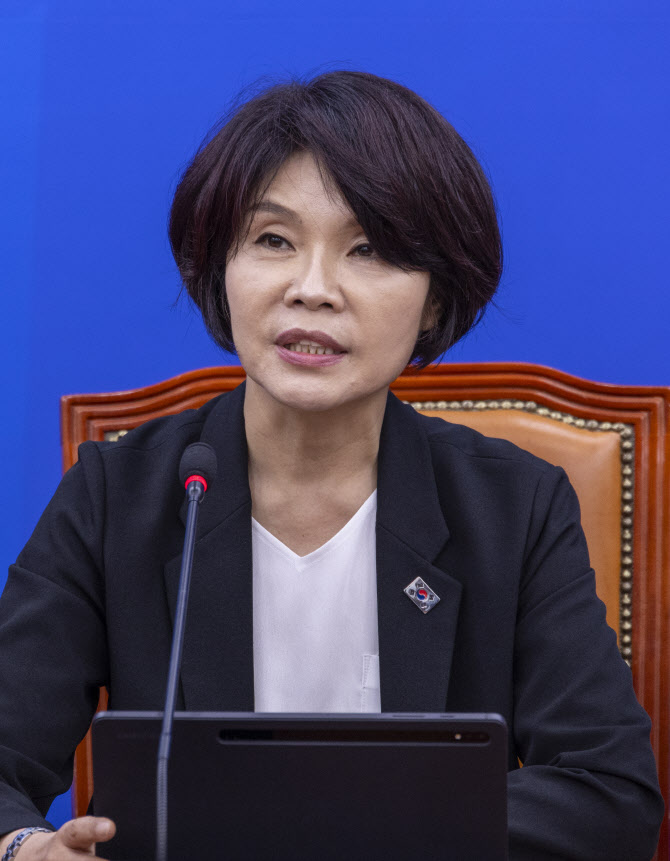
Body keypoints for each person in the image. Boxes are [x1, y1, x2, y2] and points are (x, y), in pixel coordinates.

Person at [0, 71, 663, 860]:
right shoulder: (117, 495)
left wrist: (328, 825)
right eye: (273, 240)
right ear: (218, 267)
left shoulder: (515, 506)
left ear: (436, 299)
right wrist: (24, 846)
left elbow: (608, 792)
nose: (312, 290)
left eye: (369, 249)